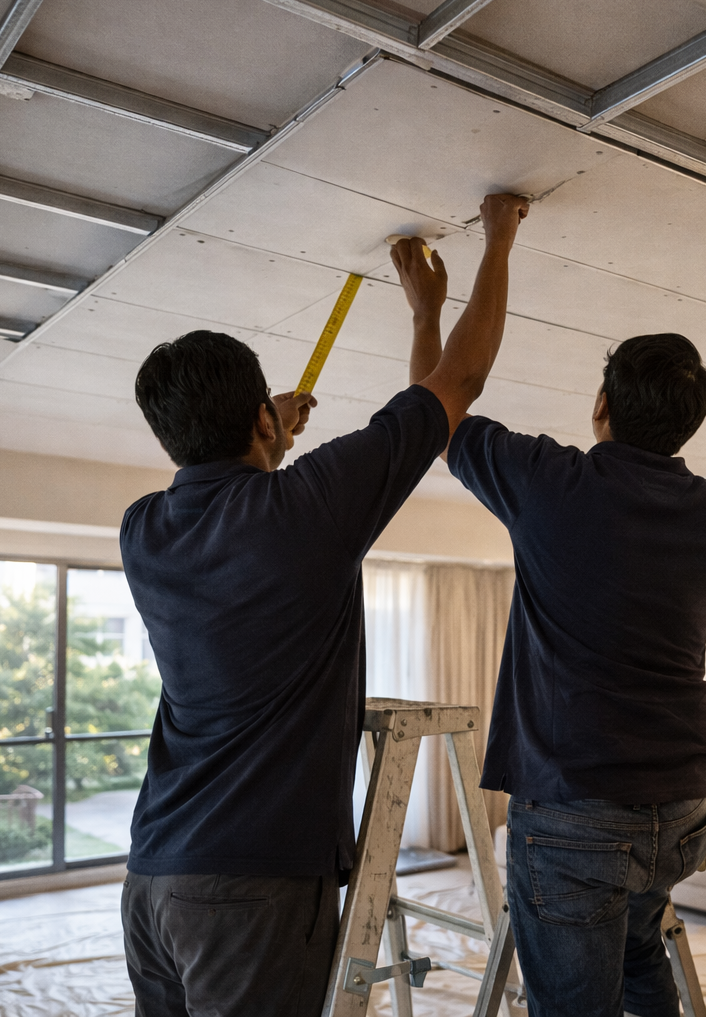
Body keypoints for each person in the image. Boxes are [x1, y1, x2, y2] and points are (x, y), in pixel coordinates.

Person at [116, 194, 530, 1016]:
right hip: (255, 886)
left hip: (153, 879)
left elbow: (235, 501)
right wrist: (487, 251)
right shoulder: (304, 511)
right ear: (261, 420)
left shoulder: (143, 529)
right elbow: (459, 382)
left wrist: (268, 435)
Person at [394, 251, 706, 1016]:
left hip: (580, 810)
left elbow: (435, 412)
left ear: (600, 405)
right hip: (683, 808)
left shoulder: (554, 481)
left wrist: (426, 311)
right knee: (641, 952)